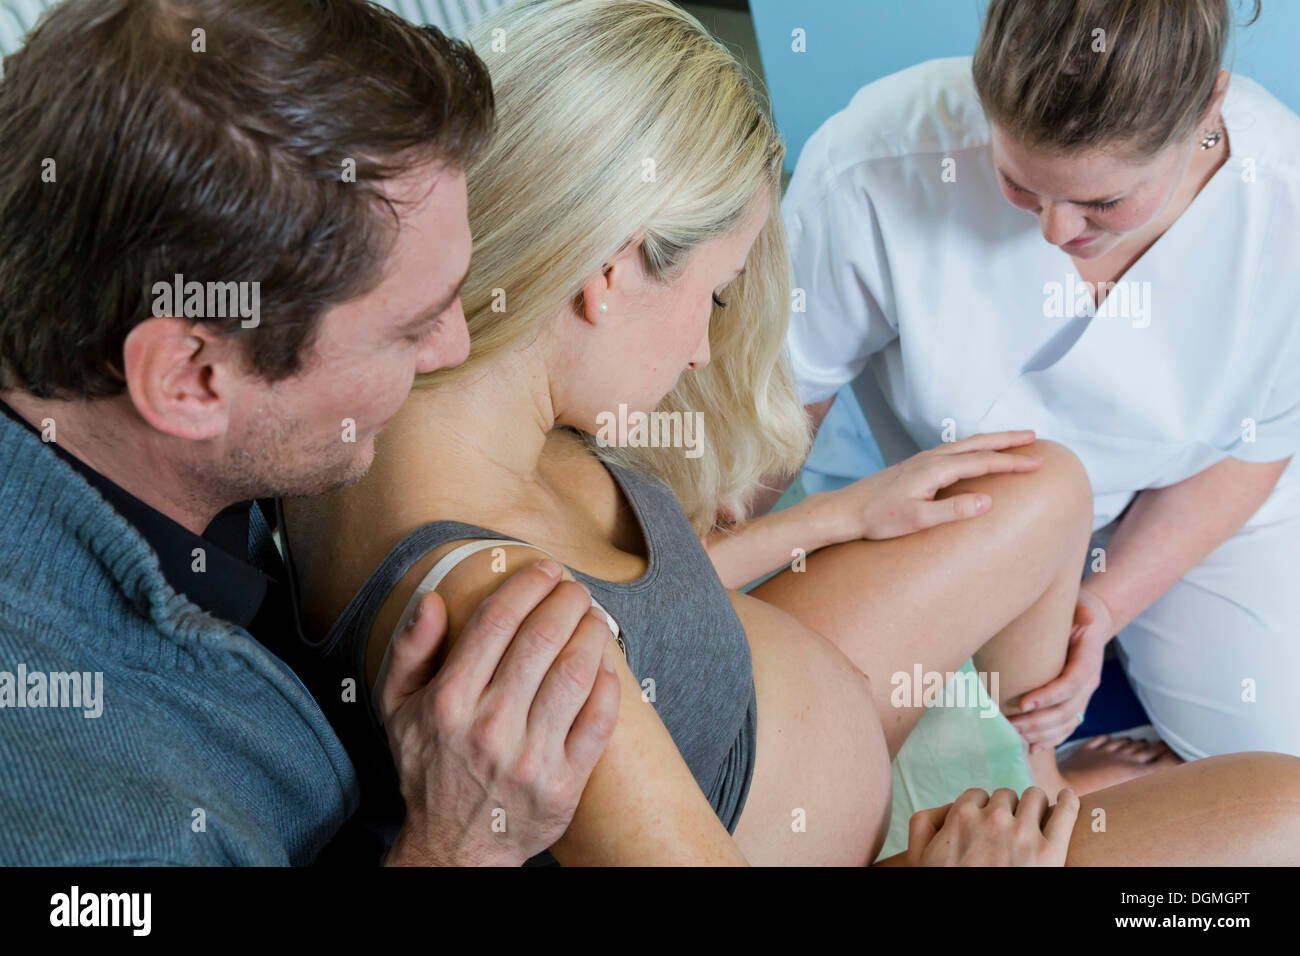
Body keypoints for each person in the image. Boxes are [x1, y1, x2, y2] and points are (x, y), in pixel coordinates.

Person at [281, 0, 1300, 866]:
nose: (699, 352)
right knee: (1280, 821)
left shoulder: (450, 392)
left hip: (765, 687)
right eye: (717, 296)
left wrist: (838, 515)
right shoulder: (515, 626)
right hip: (822, 827)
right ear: (612, 271)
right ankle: (1019, 810)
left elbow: (635, 596)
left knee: (1039, 485)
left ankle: (1030, 769)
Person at [0, 0, 618, 866]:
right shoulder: (82, 814)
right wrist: (454, 845)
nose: (456, 349)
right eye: (410, 328)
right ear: (188, 379)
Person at [759, 0, 1300, 772]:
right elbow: (776, 407)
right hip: (946, 511)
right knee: (822, 752)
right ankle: (1068, 788)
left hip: (1186, 495)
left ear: (1209, 109)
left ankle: (1087, 784)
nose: (1053, 231)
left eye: (1103, 202)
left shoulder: (1282, 208)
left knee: (1274, 768)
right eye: (1019, 185)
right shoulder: (876, 162)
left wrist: (1100, 610)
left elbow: (1253, 451)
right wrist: (700, 583)